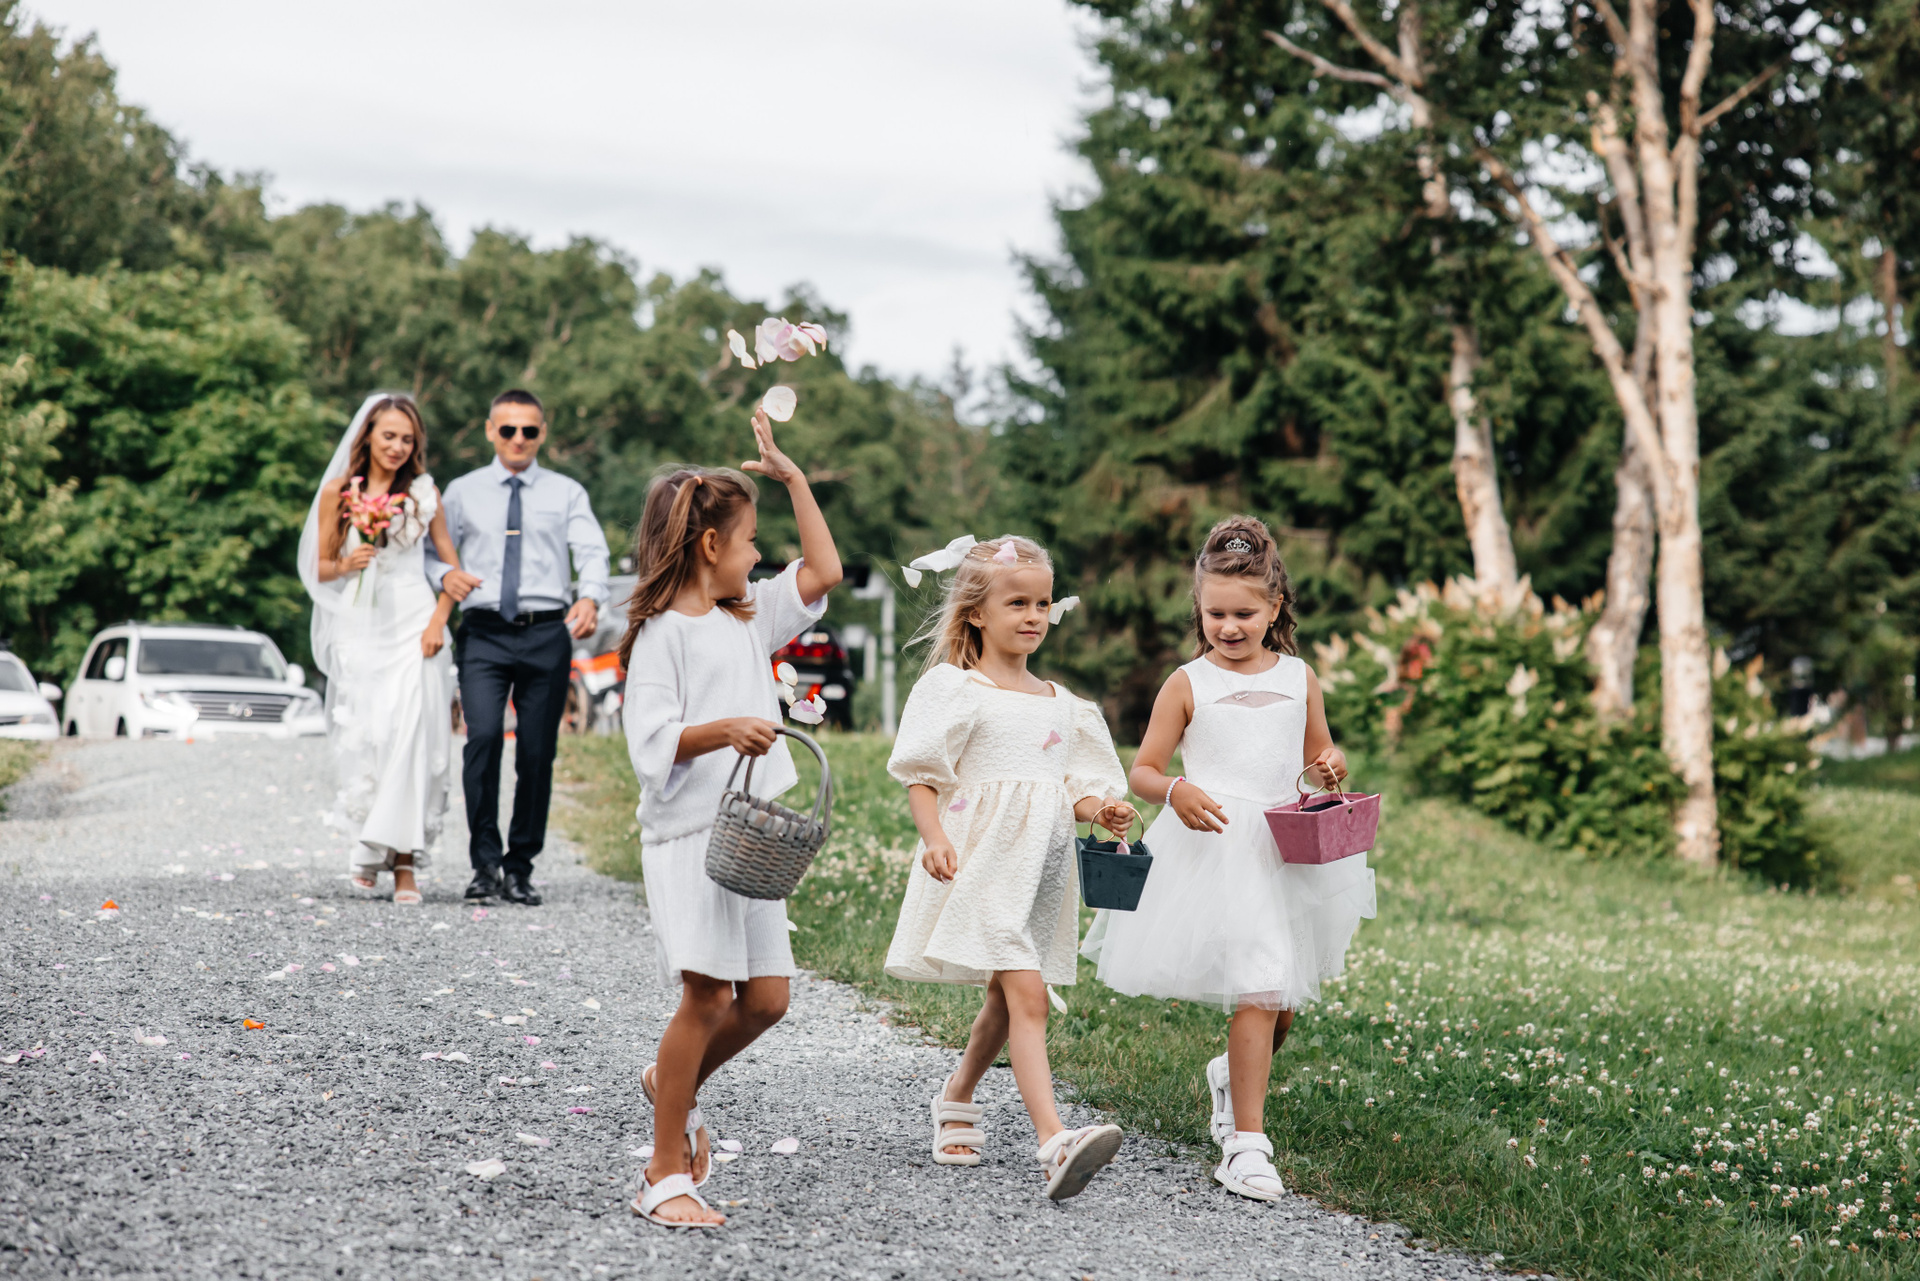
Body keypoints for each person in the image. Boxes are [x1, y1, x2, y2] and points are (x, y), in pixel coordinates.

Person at [1082, 516, 1376, 1203]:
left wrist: (1330, 764)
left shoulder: (1301, 677)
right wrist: (1175, 790)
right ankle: (1246, 1145)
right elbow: (1144, 770)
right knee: (1262, 987)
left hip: (1284, 847)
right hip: (1214, 847)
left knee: (1283, 1004)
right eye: (1215, 613)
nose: (1229, 626)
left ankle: (1230, 1073)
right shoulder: (1188, 682)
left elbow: (1317, 754)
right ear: (1199, 609)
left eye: (1244, 613)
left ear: (1275, 607)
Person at [618, 409, 843, 1230]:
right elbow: (650, 742)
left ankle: (669, 1085)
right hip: (688, 839)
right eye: (749, 541)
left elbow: (825, 567)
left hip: (747, 836)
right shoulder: (661, 636)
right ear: (710, 545)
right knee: (708, 995)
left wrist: (795, 479)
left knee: (768, 998)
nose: (759, 555)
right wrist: (723, 730)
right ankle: (662, 1170)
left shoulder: (747, 614)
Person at [882, 535, 1136, 1201]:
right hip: (982, 865)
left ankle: (958, 1095)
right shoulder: (957, 689)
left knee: (1005, 994)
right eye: (1017, 602)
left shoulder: (1063, 704)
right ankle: (1055, 1141)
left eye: (1043, 603)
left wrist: (1103, 810)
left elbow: (1073, 787)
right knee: (1027, 996)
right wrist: (934, 836)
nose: (1033, 615)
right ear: (976, 612)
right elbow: (921, 773)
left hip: (1038, 875)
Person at [426, 389, 609, 907]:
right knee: (482, 739)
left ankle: (520, 866)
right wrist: (444, 575)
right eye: (508, 429)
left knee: (536, 751)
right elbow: (430, 552)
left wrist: (591, 596)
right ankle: (484, 864)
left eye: (529, 430)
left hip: (546, 632)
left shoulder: (566, 492)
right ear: (491, 431)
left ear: (542, 433)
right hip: (483, 631)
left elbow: (592, 550)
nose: (518, 439)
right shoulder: (462, 491)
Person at [298, 393, 463, 905]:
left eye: (407, 439)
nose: (397, 446)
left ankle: (406, 865)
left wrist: (438, 623)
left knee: (412, 736)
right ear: (368, 435)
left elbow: (452, 571)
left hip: (416, 622)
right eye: (388, 435)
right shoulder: (338, 492)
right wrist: (347, 565)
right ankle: (370, 846)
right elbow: (319, 566)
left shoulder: (424, 493)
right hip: (363, 626)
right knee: (374, 737)